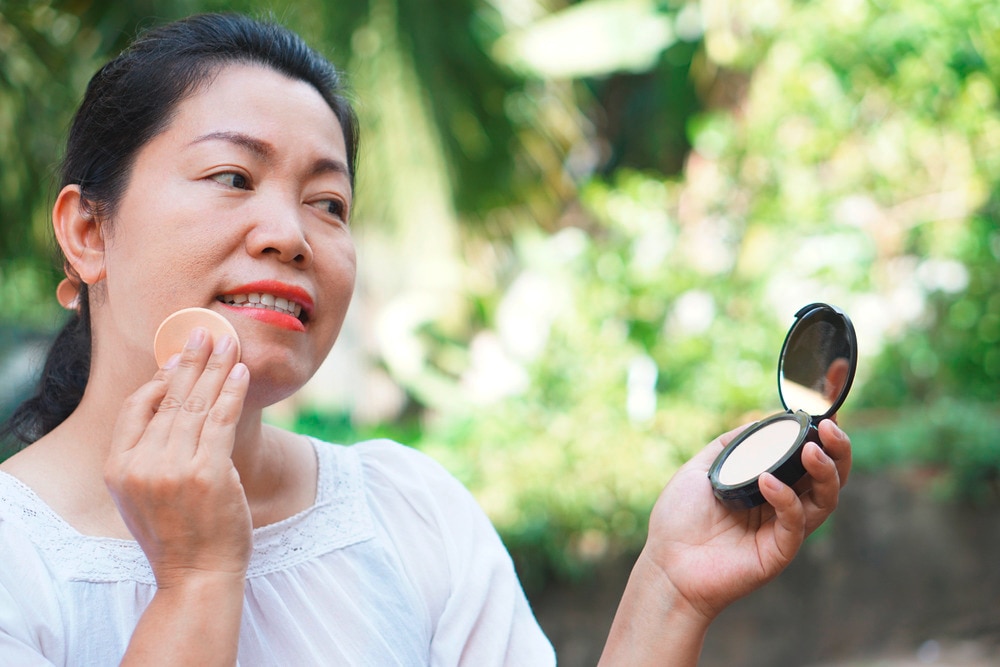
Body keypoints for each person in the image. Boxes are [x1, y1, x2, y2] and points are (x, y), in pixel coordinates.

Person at [0, 12, 852, 666]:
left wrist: (669, 588)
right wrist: (194, 578)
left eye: (328, 202)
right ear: (87, 231)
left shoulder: (408, 509)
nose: (289, 234)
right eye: (233, 177)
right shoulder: (17, 560)